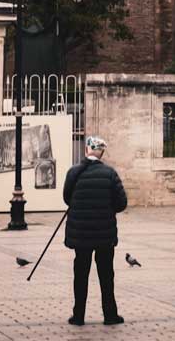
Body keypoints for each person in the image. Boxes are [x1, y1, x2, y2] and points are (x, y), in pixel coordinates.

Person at [63, 134, 127, 326]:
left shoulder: (74, 172)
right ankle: (110, 315)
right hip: (104, 234)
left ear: (86, 151)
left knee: (80, 274)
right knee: (106, 275)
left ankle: (78, 315)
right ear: (102, 153)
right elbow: (122, 203)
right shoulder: (110, 173)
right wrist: (107, 209)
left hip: (81, 233)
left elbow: (67, 198)